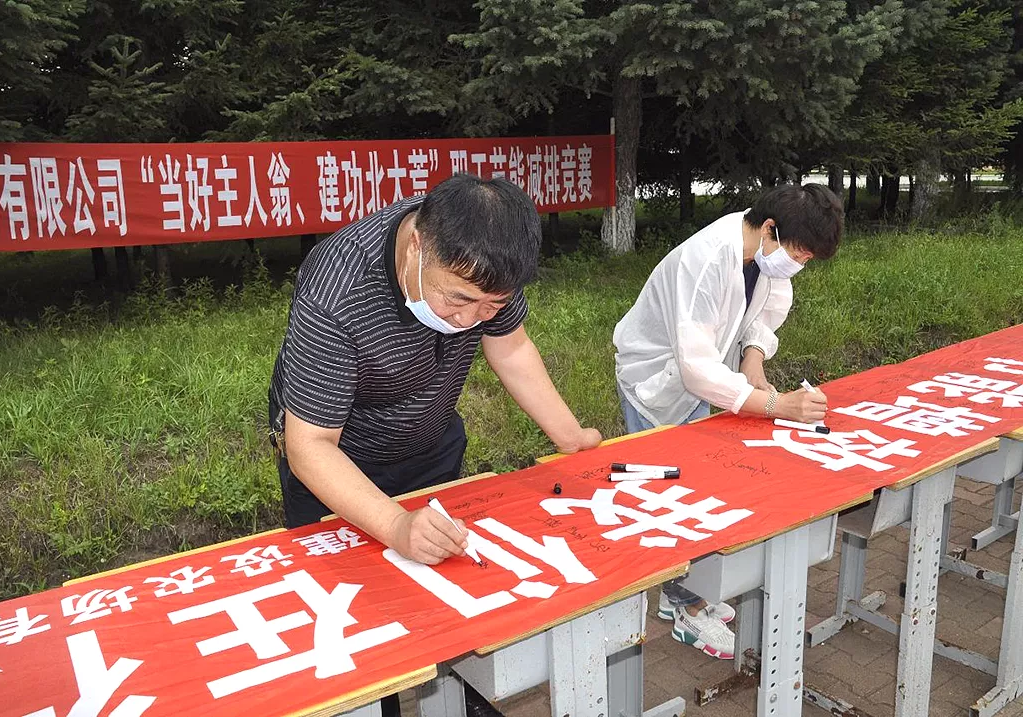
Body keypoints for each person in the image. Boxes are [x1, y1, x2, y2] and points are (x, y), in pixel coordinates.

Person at [268, 173, 601, 716]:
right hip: (340, 471)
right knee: (358, 628)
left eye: (489, 305)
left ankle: (460, 697)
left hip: (431, 442)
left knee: (450, 600)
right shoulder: (337, 288)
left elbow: (511, 348)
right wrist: (396, 525)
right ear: (418, 247)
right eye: (459, 300)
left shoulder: (486, 264)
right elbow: (311, 446)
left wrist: (572, 437)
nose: (470, 320)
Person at [612, 183, 844, 659]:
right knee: (668, 496)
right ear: (771, 229)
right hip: (655, 382)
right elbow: (696, 370)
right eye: (799, 255)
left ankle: (682, 593)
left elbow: (766, 310)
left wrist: (753, 356)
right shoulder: (707, 259)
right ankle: (682, 607)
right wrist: (777, 406)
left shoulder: (768, 251)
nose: (798, 266)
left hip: (702, 377)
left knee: (697, 483)